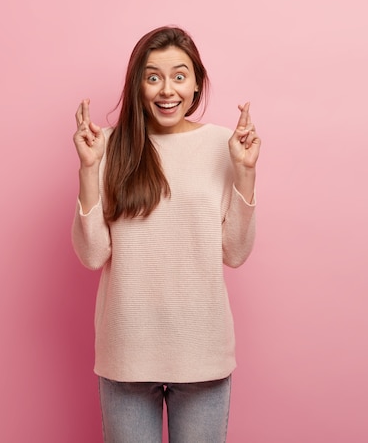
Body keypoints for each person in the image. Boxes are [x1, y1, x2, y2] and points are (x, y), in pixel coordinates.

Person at [71, 26, 260, 442]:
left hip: (202, 352)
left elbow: (235, 252)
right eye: (152, 76)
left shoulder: (223, 146)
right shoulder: (109, 146)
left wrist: (245, 173)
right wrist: (88, 170)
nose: (166, 89)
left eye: (179, 75)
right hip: (127, 352)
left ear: (196, 84)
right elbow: (92, 254)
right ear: (137, 83)